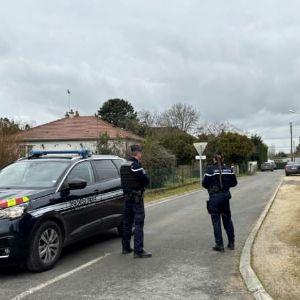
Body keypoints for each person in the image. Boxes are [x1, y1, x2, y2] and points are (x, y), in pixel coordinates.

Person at [120, 144, 152, 258]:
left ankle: (125, 248)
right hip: (136, 199)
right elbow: (145, 180)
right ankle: (138, 251)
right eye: (141, 153)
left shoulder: (123, 165)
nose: (141, 155)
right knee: (138, 223)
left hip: (126, 199)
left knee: (127, 223)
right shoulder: (136, 165)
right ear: (138, 153)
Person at [202, 152, 237, 252]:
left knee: (216, 222)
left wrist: (212, 186)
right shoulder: (229, 169)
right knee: (227, 220)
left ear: (213, 159)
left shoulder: (210, 170)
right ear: (223, 159)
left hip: (214, 198)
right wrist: (225, 186)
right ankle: (231, 243)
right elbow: (234, 183)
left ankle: (219, 245)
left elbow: (204, 183)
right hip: (225, 197)